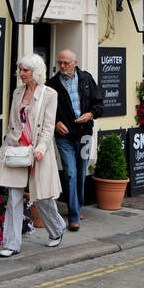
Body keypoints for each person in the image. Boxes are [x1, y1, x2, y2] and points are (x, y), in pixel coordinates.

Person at [0, 54, 66, 256]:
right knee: (14, 197)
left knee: (42, 197)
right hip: (17, 151)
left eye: (25, 70)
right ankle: (11, 244)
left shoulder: (50, 94)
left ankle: (56, 228)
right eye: (20, 70)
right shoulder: (18, 92)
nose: (21, 74)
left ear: (35, 71)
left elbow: (47, 127)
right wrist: (2, 151)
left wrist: (42, 149)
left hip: (38, 153)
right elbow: (13, 126)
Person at [47, 49, 103, 231]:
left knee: (81, 171)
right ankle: (73, 216)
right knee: (70, 173)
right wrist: (56, 123)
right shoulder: (52, 84)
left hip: (85, 134)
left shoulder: (86, 79)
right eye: (60, 62)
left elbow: (99, 104)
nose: (62, 66)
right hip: (64, 137)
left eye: (66, 63)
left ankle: (77, 206)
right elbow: (44, 111)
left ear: (75, 63)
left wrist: (91, 114)